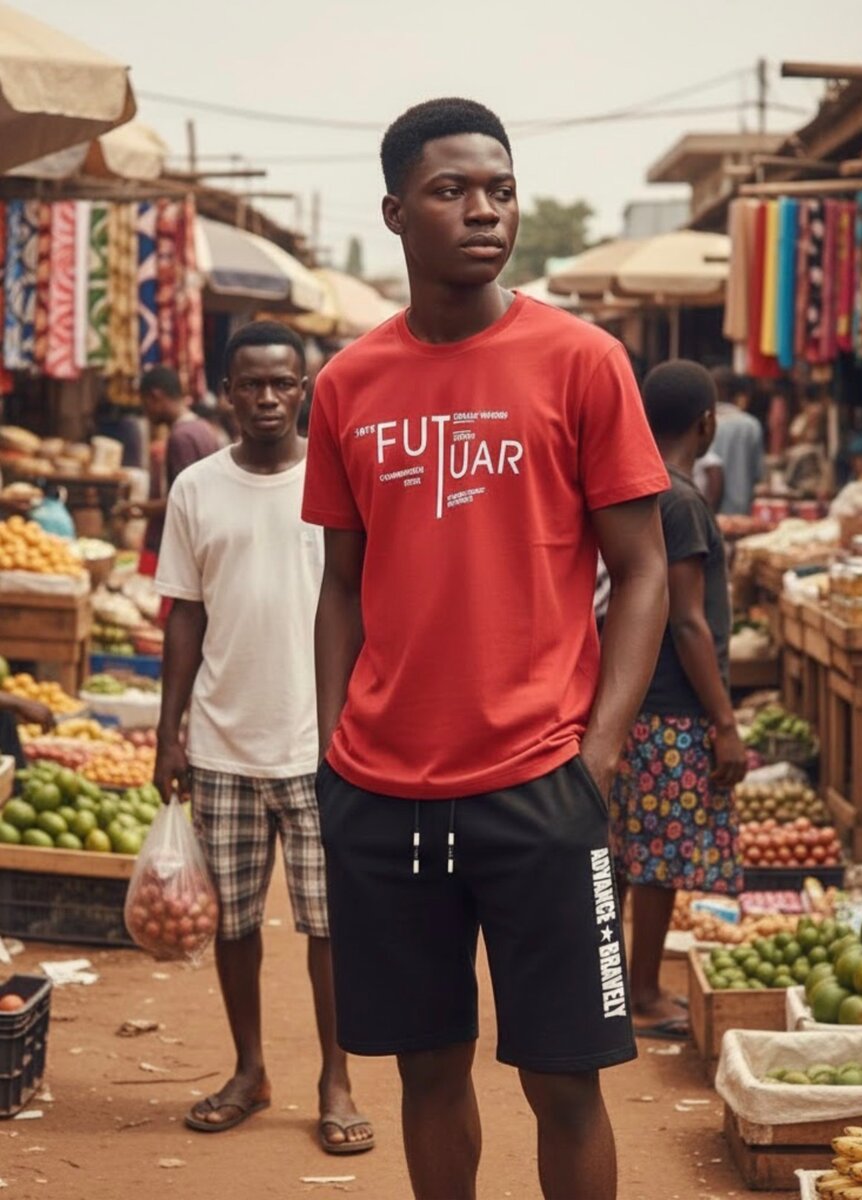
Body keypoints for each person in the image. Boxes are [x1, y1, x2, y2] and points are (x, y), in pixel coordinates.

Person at [303, 98, 670, 1200]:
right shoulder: (347, 384)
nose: (483, 211)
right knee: (426, 1070)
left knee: (565, 1079)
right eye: (451, 190)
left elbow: (643, 570)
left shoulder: (582, 361)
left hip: (539, 785)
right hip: (382, 793)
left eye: (499, 190)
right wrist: (330, 751)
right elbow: (339, 584)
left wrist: (598, 753)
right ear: (394, 212)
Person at [152, 322, 373, 1154]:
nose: (269, 398)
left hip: (324, 749)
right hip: (221, 746)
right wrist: (169, 733)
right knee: (235, 923)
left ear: (305, 389)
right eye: (252, 384)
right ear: (227, 392)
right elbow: (184, 616)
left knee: (330, 927)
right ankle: (249, 1070)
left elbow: (367, 603)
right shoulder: (196, 488)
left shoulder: (339, 478)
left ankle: (336, 1080)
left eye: (283, 383)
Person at [609, 360, 746, 1040]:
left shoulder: (639, 487)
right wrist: (724, 721)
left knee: (626, 854)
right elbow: (687, 621)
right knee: (659, 859)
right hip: (672, 708)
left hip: (636, 701)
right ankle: (642, 993)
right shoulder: (682, 500)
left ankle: (608, 986)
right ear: (707, 423)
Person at [113, 367, 219, 575]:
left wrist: (139, 508)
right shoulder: (203, 428)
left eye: (145, 404)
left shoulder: (181, 437)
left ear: (156, 397)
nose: (146, 413)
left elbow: (183, 501)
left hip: (181, 547)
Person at [710, 367, 764, 516]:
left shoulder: (703, 422)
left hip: (707, 508)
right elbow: (758, 473)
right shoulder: (751, 425)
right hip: (741, 511)